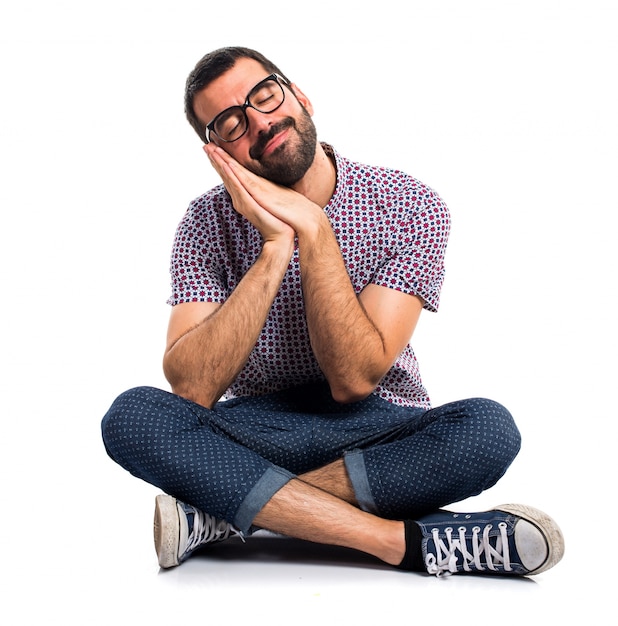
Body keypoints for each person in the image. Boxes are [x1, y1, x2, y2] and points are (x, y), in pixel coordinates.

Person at [101, 46, 564, 577]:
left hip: (379, 432)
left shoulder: (408, 203)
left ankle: (224, 516)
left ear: (299, 95)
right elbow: (193, 388)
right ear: (219, 153)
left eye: (264, 96)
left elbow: (354, 378)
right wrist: (276, 246)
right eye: (231, 123)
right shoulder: (203, 223)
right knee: (133, 415)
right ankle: (403, 542)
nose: (259, 122)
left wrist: (315, 231)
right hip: (258, 433)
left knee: (488, 430)